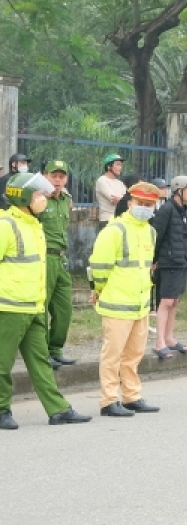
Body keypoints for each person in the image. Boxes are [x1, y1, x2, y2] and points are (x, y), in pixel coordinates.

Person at [0, 172, 91, 429]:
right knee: (2, 363)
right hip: (9, 308)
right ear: (25, 198)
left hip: (34, 306)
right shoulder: (6, 225)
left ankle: (58, 409)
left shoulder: (35, 225)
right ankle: (1, 408)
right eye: (39, 195)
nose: (44, 199)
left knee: (41, 362)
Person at [89, 181, 162, 417]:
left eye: (149, 204)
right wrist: (98, 289)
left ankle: (131, 396)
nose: (145, 207)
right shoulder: (114, 230)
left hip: (139, 305)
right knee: (113, 355)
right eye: (140, 203)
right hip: (117, 304)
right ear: (129, 203)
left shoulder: (150, 230)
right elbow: (99, 266)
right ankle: (108, 401)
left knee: (133, 355)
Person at [149, 175, 187, 358]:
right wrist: (154, 259)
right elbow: (156, 236)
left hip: (181, 261)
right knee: (166, 301)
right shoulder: (167, 210)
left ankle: (169, 338)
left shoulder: (183, 210)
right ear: (179, 191)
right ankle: (159, 342)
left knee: (174, 301)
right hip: (168, 262)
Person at [39, 160, 76, 369]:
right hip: (44, 257)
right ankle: (42, 352)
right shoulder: (38, 199)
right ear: (45, 176)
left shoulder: (66, 199)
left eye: (62, 176)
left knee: (64, 308)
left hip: (61, 258)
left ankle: (56, 348)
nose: (58, 180)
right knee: (42, 307)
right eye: (54, 175)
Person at [94, 153, 126, 227]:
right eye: (118, 164)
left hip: (120, 220)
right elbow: (114, 199)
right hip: (107, 220)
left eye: (121, 165)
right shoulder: (102, 180)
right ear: (109, 167)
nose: (120, 167)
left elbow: (126, 199)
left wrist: (122, 199)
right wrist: (123, 200)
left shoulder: (120, 183)